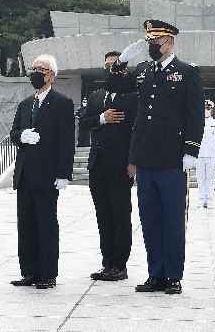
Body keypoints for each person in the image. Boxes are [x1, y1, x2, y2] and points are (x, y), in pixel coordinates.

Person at [119, 19, 204, 295]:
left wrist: (191, 150)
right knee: (150, 218)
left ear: (169, 43)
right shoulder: (143, 71)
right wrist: (121, 63)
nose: (151, 48)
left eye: (155, 44)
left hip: (172, 159)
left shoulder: (187, 72)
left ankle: (173, 275)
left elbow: (195, 115)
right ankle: (155, 273)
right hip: (146, 158)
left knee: (173, 219)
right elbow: (118, 89)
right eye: (149, 44)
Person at [9, 54, 75, 290]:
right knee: (26, 225)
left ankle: (47, 273)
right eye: (33, 68)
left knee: (46, 224)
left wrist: (63, 173)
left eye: (41, 69)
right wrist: (21, 137)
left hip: (47, 175)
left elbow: (66, 141)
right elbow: (14, 133)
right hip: (25, 174)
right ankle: (29, 271)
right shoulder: (25, 104)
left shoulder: (62, 103)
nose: (35, 72)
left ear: (51, 75)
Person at [79, 50, 136, 281]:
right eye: (106, 65)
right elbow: (83, 122)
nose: (109, 69)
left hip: (121, 164)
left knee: (120, 214)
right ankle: (107, 262)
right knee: (103, 215)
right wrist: (102, 118)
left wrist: (133, 161)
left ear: (124, 69)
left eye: (114, 65)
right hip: (98, 163)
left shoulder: (133, 96)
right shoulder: (96, 96)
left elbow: (136, 131)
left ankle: (120, 265)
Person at [196, 99, 215, 208]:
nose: (207, 111)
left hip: (211, 154)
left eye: (208, 109)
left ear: (211, 110)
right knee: (201, 178)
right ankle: (202, 199)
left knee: (210, 178)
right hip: (199, 154)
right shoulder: (197, 122)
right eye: (205, 109)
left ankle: (210, 199)